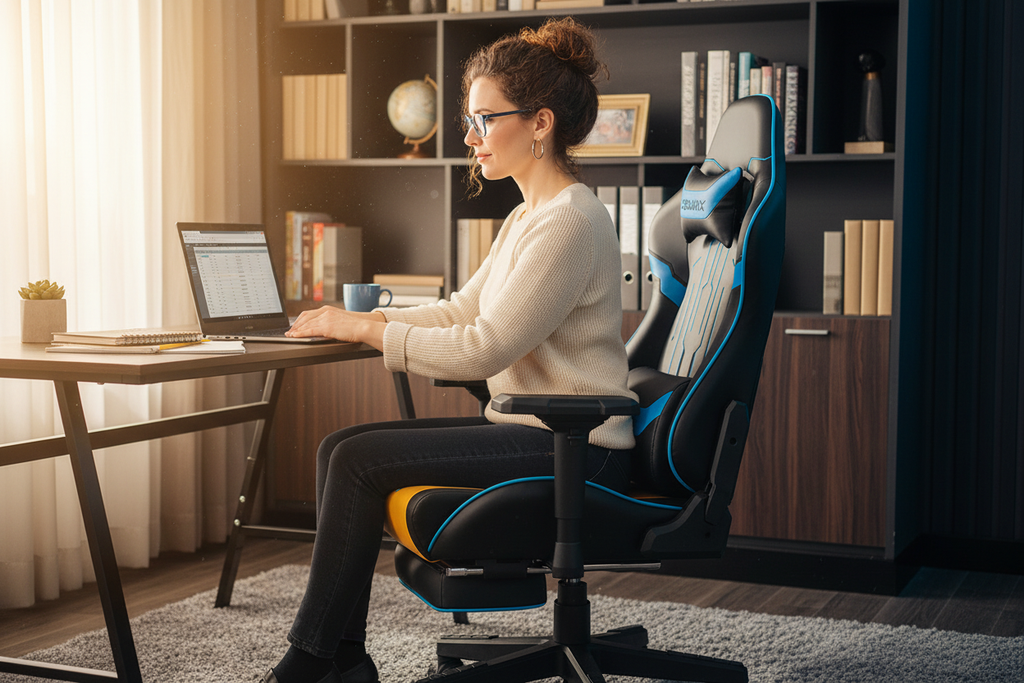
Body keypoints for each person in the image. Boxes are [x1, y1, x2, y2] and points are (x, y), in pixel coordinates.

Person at [263, 17, 636, 683]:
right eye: (469, 120)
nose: (469, 137)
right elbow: (465, 310)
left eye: (484, 119)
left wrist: (369, 331)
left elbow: (482, 348)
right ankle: (344, 659)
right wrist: (358, 318)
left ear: (540, 123)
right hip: (538, 429)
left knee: (352, 459)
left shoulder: (571, 220)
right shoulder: (530, 215)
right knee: (337, 450)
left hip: (575, 444)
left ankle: (311, 662)